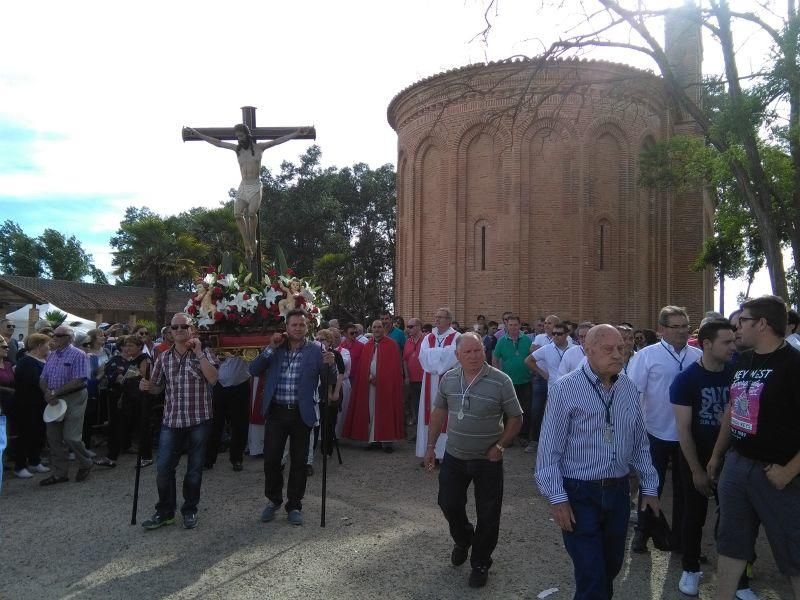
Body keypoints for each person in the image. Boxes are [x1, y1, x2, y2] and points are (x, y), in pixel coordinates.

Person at [536, 325, 661, 599]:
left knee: (611, 566)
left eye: (621, 349)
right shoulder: (565, 389)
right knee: (591, 573)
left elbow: (639, 442)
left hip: (618, 492)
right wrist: (558, 498)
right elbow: (548, 451)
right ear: (588, 350)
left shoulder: (628, 388)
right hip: (580, 493)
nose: (618, 355)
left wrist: (650, 485)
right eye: (609, 349)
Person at [708, 295, 800, 600]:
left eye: (743, 321)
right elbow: (734, 409)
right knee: (731, 542)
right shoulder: (743, 361)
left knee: (793, 552)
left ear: (762, 324)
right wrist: (718, 455)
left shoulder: (793, 364)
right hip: (737, 464)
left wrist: (789, 471)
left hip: (778, 473)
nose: (737, 327)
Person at [425, 332, 523, 589]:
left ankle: (480, 562)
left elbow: (516, 418)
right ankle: (463, 538)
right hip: (454, 456)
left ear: (484, 351)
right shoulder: (449, 378)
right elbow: (438, 413)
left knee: (489, 513)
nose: (473, 356)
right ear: (457, 355)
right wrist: (430, 446)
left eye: (477, 350)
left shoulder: (501, 381)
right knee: (448, 503)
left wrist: (500, 446)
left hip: (487, 460)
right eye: (467, 352)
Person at [670, 319, 757, 597]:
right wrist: (696, 469)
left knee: (735, 519)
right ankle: (690, 568)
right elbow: (683, 429)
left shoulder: (737, 372)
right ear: (707, 344)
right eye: (727, 342)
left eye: (734, 340)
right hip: (695, 454)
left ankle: (738, 580)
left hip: (733, 457)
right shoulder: (686, 380)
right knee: (693, 515)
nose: (734, 346)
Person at [249, 309, 336, 526]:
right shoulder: (276, 348)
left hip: (301, 413)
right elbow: (254, 369)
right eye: (293, 325)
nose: (297, 328)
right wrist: (270, 348)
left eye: (301, 325)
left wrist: (330, 364)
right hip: (277, 411)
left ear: (308, 327)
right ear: (286, 327)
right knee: (271, 459)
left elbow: (328, 380)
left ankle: (294, 505)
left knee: (299, 462)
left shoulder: (317, 350)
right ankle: (273, 500)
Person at [627, 306, 701, 553]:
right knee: (651, 485)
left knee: (684, 489)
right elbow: (633, 393)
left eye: (685, 326)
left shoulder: (696, 356)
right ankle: (643, 532)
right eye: (675, 326)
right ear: (661, 329)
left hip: (687, 436)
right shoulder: (647, 356)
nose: (681, 331)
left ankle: (680, 538)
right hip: (654, 431)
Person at [139, 313, 219, 530]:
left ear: (191, 329)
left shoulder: (204, 353)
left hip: (199, 419)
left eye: (184, 326)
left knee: (194, 469)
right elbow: (156, 387)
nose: (180, 330)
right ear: (170, 332)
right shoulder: (163, 357)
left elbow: (213, 379)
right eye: (175, 327)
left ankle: (190, 509)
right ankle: (165, 511)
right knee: (164, 468)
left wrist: (200, 353)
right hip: (172, 420)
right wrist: (147, 387)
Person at [183, 123, 309, 258]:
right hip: (243, 186)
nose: (239, 138)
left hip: (255, 186)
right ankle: (247, 244)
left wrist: (296, 133)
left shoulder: (260, 147)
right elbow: (217, 142)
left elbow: (278, 141)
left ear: (247, 135)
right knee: (237, 214)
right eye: (237, 136)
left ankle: (253, 242)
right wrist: (197, 134)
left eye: (241, 135)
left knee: (251, 213)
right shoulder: (237, 150)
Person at [39, 325, 93, 485]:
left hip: (74, 397)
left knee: (71, 436)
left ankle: (86, 462)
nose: (54, 337)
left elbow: (79, 380)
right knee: (53, 437)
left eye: (59, 335)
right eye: (54, 335)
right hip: (54, 398)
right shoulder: (51, 355)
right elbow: (43, 378)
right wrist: (47, 393)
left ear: (70, 338)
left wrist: (55, 393)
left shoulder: (79, 355)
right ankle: (60, 473)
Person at [343, 319, 405, 452]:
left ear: (384, 329)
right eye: (374, 327)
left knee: (386, 412)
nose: (376, 330)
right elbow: (363, 366)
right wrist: (369, 377)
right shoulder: (368, 345)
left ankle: (387, 442)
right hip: (370, 385)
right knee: (371, 411)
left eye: (379, 327)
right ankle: (374, 440)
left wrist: (382, 379)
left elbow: (394, 368)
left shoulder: (392, 345)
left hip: (386, 386)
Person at [416, 307, 461, 461]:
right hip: (429, 379)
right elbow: (423, 356)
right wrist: (442, 354)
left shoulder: (457, 337)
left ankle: (445, 454)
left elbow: (454, 355)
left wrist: (434, 354)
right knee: (428, 413)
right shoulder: (428, 337)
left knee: (448, 414)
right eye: (436, 317)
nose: (437, 320)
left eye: (441, 317)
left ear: (449, 320)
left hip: (449, 380)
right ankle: (429, 453)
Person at [104, 335, 151, 467]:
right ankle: (111, 457)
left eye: (131, 345)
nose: (127, 348)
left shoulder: (144, 358)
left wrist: (126, 375)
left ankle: (146, 457)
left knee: (142, 427)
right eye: (126, 345)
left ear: (139, 346)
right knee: (119, 426)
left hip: (140, 397)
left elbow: (143, 374)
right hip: (128, 396)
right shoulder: (131, 359)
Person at [11, 333, 51, 478]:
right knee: (25, 434)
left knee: (38, 433)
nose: (49, 347)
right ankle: (20, 466)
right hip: (26, 404)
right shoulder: (27, 362)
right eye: (46, 344)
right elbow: (33, 381)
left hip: (40, 404)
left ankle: (35, 461)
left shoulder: (43, 360)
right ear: (39, 346)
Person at [205, 355, 251, 472]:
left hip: (241, 384)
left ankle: (237, 458)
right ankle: (208, 459)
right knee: (215, 423)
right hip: (219, 384)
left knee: (240, 424)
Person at [492, 315, 532, 446]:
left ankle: (523, 436)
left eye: (515, 325)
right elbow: (495, 359)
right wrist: (498, 375)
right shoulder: (501, 341)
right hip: (507, 382)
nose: (513, 327)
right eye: (511, 325)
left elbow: (533, 357)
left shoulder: (527, 340)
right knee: (507, 411)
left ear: (519, 326)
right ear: (507, 326)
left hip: (525, 381)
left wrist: (532, 371)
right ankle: (507, 438)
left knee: (525, 410)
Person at [403, 318, 424, 429]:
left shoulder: (427, 339)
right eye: (407, 326)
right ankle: (417, 431)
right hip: (412, 379)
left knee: (425, 406)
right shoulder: (408, 341)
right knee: (415, 406)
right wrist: (406, 376)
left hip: (425, 379)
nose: (408, 329)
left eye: (411, 326)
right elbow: (405, 360)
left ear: (419, 326)